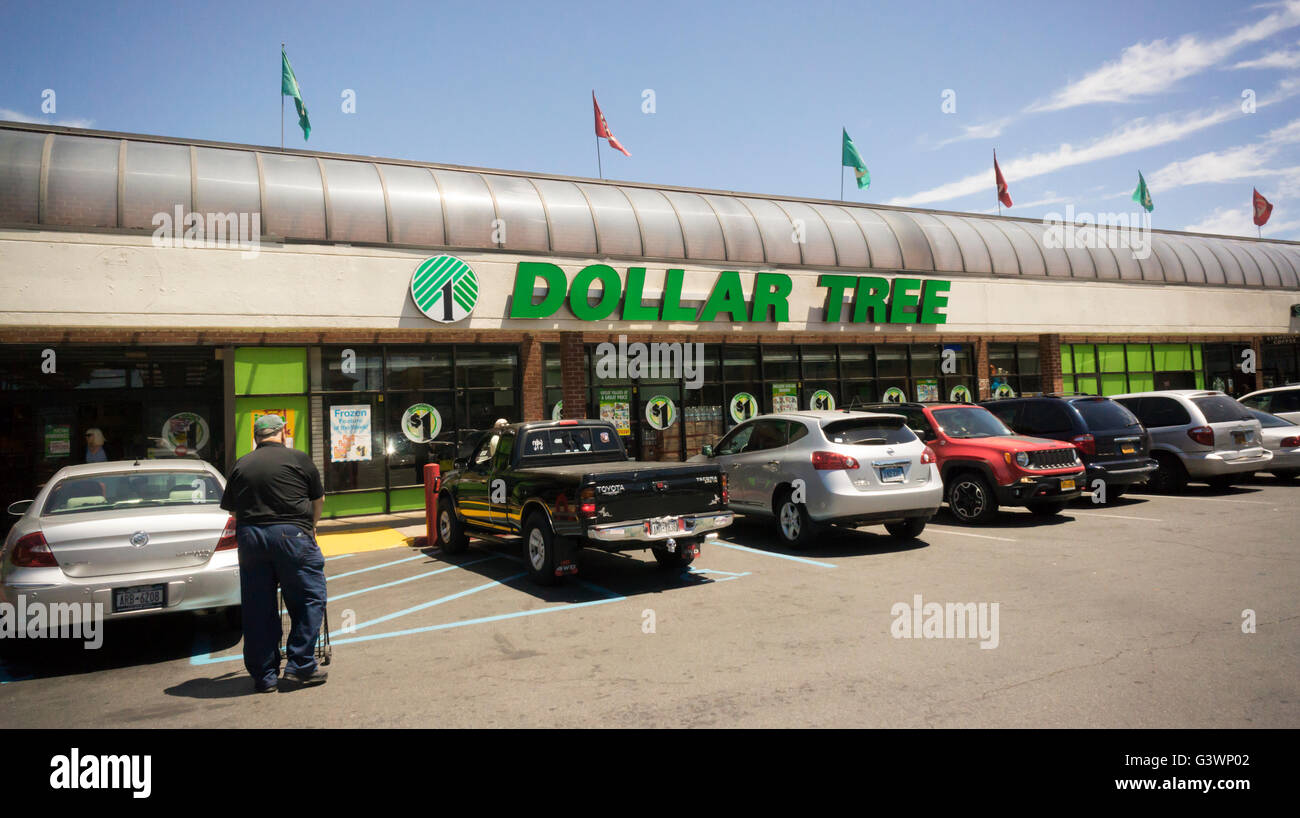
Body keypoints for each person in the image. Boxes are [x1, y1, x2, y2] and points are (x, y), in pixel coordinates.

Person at [219, 414, 328, 692]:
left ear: (256, 437)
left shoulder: (241, 464)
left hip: (252, 538)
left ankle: (264, 676)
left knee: (258, 608)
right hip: (292, 535)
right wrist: (310, 527)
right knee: (308, 599)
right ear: (283, 432)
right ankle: (300, 666)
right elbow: (319, 499)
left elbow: (233, 511)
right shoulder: (299, 459)